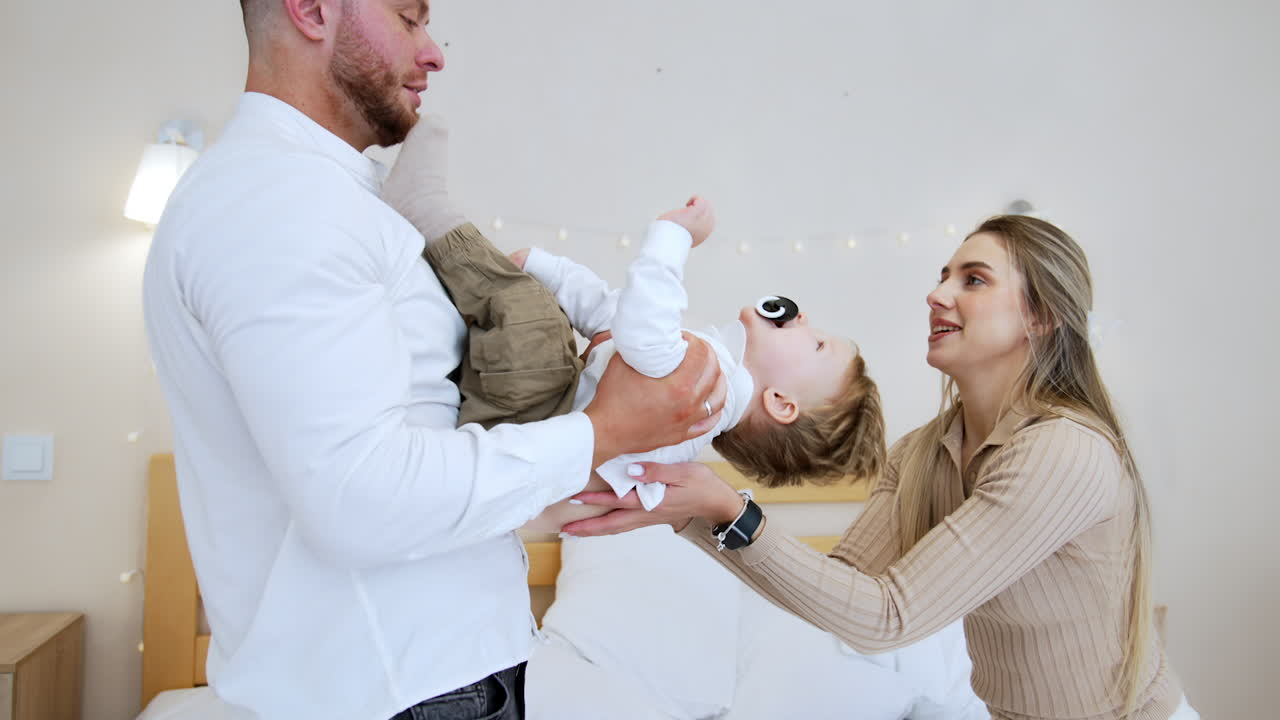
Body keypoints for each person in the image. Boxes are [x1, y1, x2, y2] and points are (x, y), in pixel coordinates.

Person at [141, 1, 726, 718]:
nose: (435, 53)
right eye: (409, 17)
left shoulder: (332, 198)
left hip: (433, 676)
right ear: (312, 9)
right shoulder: (281, 203)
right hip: (402, 689)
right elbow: (361, 497)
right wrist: (604, 431)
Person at [564, 215, 1199, 720]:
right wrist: (696, 511)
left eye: (973, 280)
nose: (937, 292)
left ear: (1040, 316)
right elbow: (841, 593)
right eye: (944, 273)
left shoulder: (1064, 451)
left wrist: (723, 509)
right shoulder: (927, 451)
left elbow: (889, 618)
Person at [380, 118, 885, 532]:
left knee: (531, 316)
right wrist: (553, 270)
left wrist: (672, 238)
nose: (805, 323)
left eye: (817, 344)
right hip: (535, 411)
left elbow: (639, 329)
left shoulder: (709, 388)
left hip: (536, 411)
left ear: (780, 402)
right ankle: (428, 254)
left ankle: (425, 210)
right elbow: (612, 317)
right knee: (534, 313)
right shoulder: (707, 369)